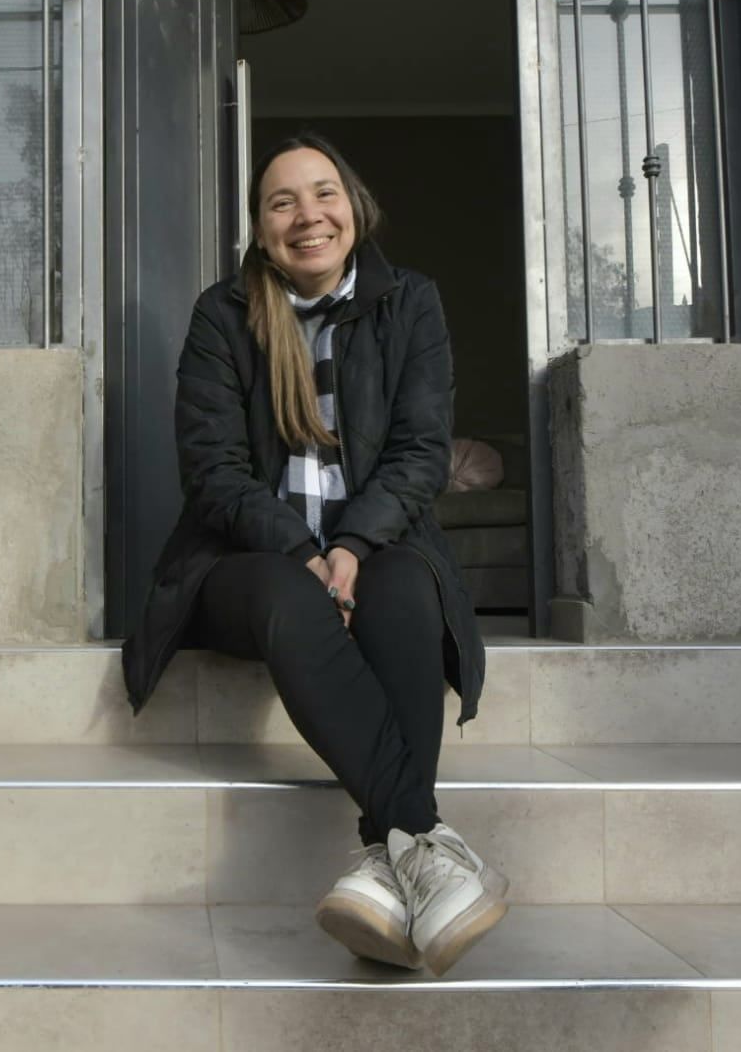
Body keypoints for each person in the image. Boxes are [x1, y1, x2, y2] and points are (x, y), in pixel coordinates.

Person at [121, 133, 504, 975]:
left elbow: (419, 451)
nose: (307, 215)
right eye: (281, 201)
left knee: (403, 595)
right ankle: (423, 840)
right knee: (287, 596)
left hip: (382, 545)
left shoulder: (410, 303)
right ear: (260, 229)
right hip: (243, 564)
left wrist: (354, 545)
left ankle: (387, 871)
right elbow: (212, 470)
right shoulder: (222, 315)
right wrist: (301, 549)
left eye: (323, 193)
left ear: (353, 206)